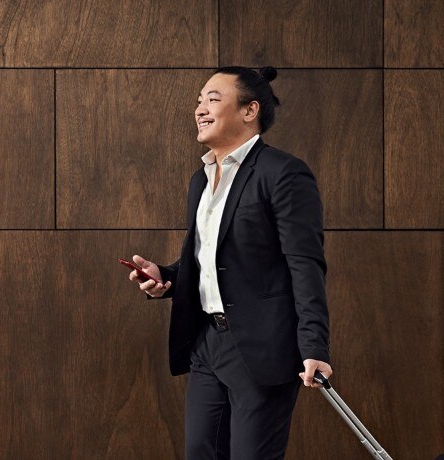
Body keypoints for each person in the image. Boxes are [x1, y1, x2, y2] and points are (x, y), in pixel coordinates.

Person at [127, 66, 332, 459]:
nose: (200, 109)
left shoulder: (283, 174)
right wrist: (166, 276)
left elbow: (305, 265)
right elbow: (209, 260)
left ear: (249, 110)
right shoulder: (201, 179)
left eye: (213, 99)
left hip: (261, 348)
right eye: (199, 101)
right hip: (206, 343)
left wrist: (314, 346)